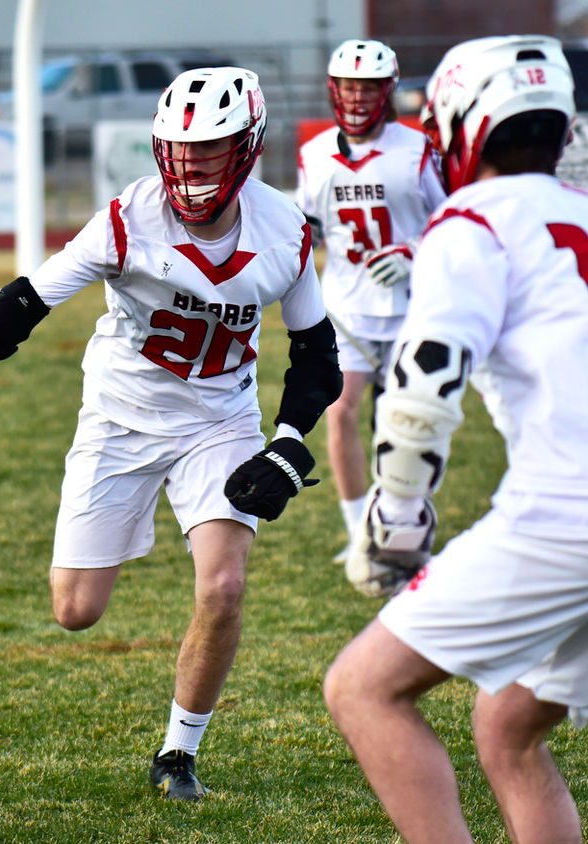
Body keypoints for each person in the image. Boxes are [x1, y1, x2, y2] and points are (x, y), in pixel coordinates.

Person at [0, 66, 341, 800]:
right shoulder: (126, 218)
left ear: (247, 150)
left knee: (224, 585)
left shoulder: (284, 232)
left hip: (219, 418)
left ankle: (178, 755)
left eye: (209, 151)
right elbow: (23, 304)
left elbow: (316, 358)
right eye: (179, 151)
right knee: (76, 610)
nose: (190, 168)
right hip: (120, 416)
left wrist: (286, 441)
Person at [324, 35, 588, 843]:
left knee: (361, 688)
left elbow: (426, 379)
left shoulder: (471, 220)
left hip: (566, 516)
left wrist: (395, 516)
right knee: (509, 723)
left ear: (463, 124)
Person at [295, 39, 445, 564]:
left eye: (369, 86)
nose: (358, 97)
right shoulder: (314, 156)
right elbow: (307, 230)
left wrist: (413, 251)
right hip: (348, 307)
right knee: (340, 413)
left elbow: (454, 224)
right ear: (334, 90)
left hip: (411, 306)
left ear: (389, 89)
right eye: (349, 86)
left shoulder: (419, 149)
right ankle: (359, 528)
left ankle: (405, 522)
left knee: (408, 420)